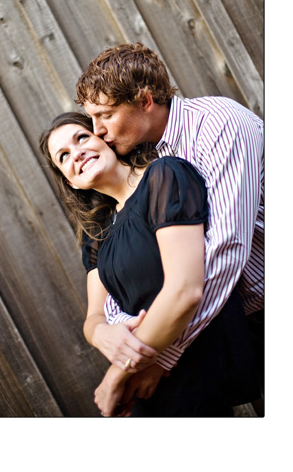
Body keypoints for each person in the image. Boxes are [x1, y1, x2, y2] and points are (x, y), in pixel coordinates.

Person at [74, 43, 264, 401]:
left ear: (145, 100)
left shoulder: (217, 124)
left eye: (106, 115)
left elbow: (226, 249)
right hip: (237, 320)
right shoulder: (151, 161)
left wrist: (160, 357)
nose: (97, 131)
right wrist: (112, 334)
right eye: (91, 118)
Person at [40, 112, 258, 416]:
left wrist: (122, 370)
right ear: (70, 181)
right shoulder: (97, 233)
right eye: (64, 156)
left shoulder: (163, 177)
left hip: (192, 360)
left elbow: (188, 290)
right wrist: (101, 333)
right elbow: (93, 316)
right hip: (142, 378)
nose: (77, 153)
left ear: (103, 139)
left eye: (82, 138)